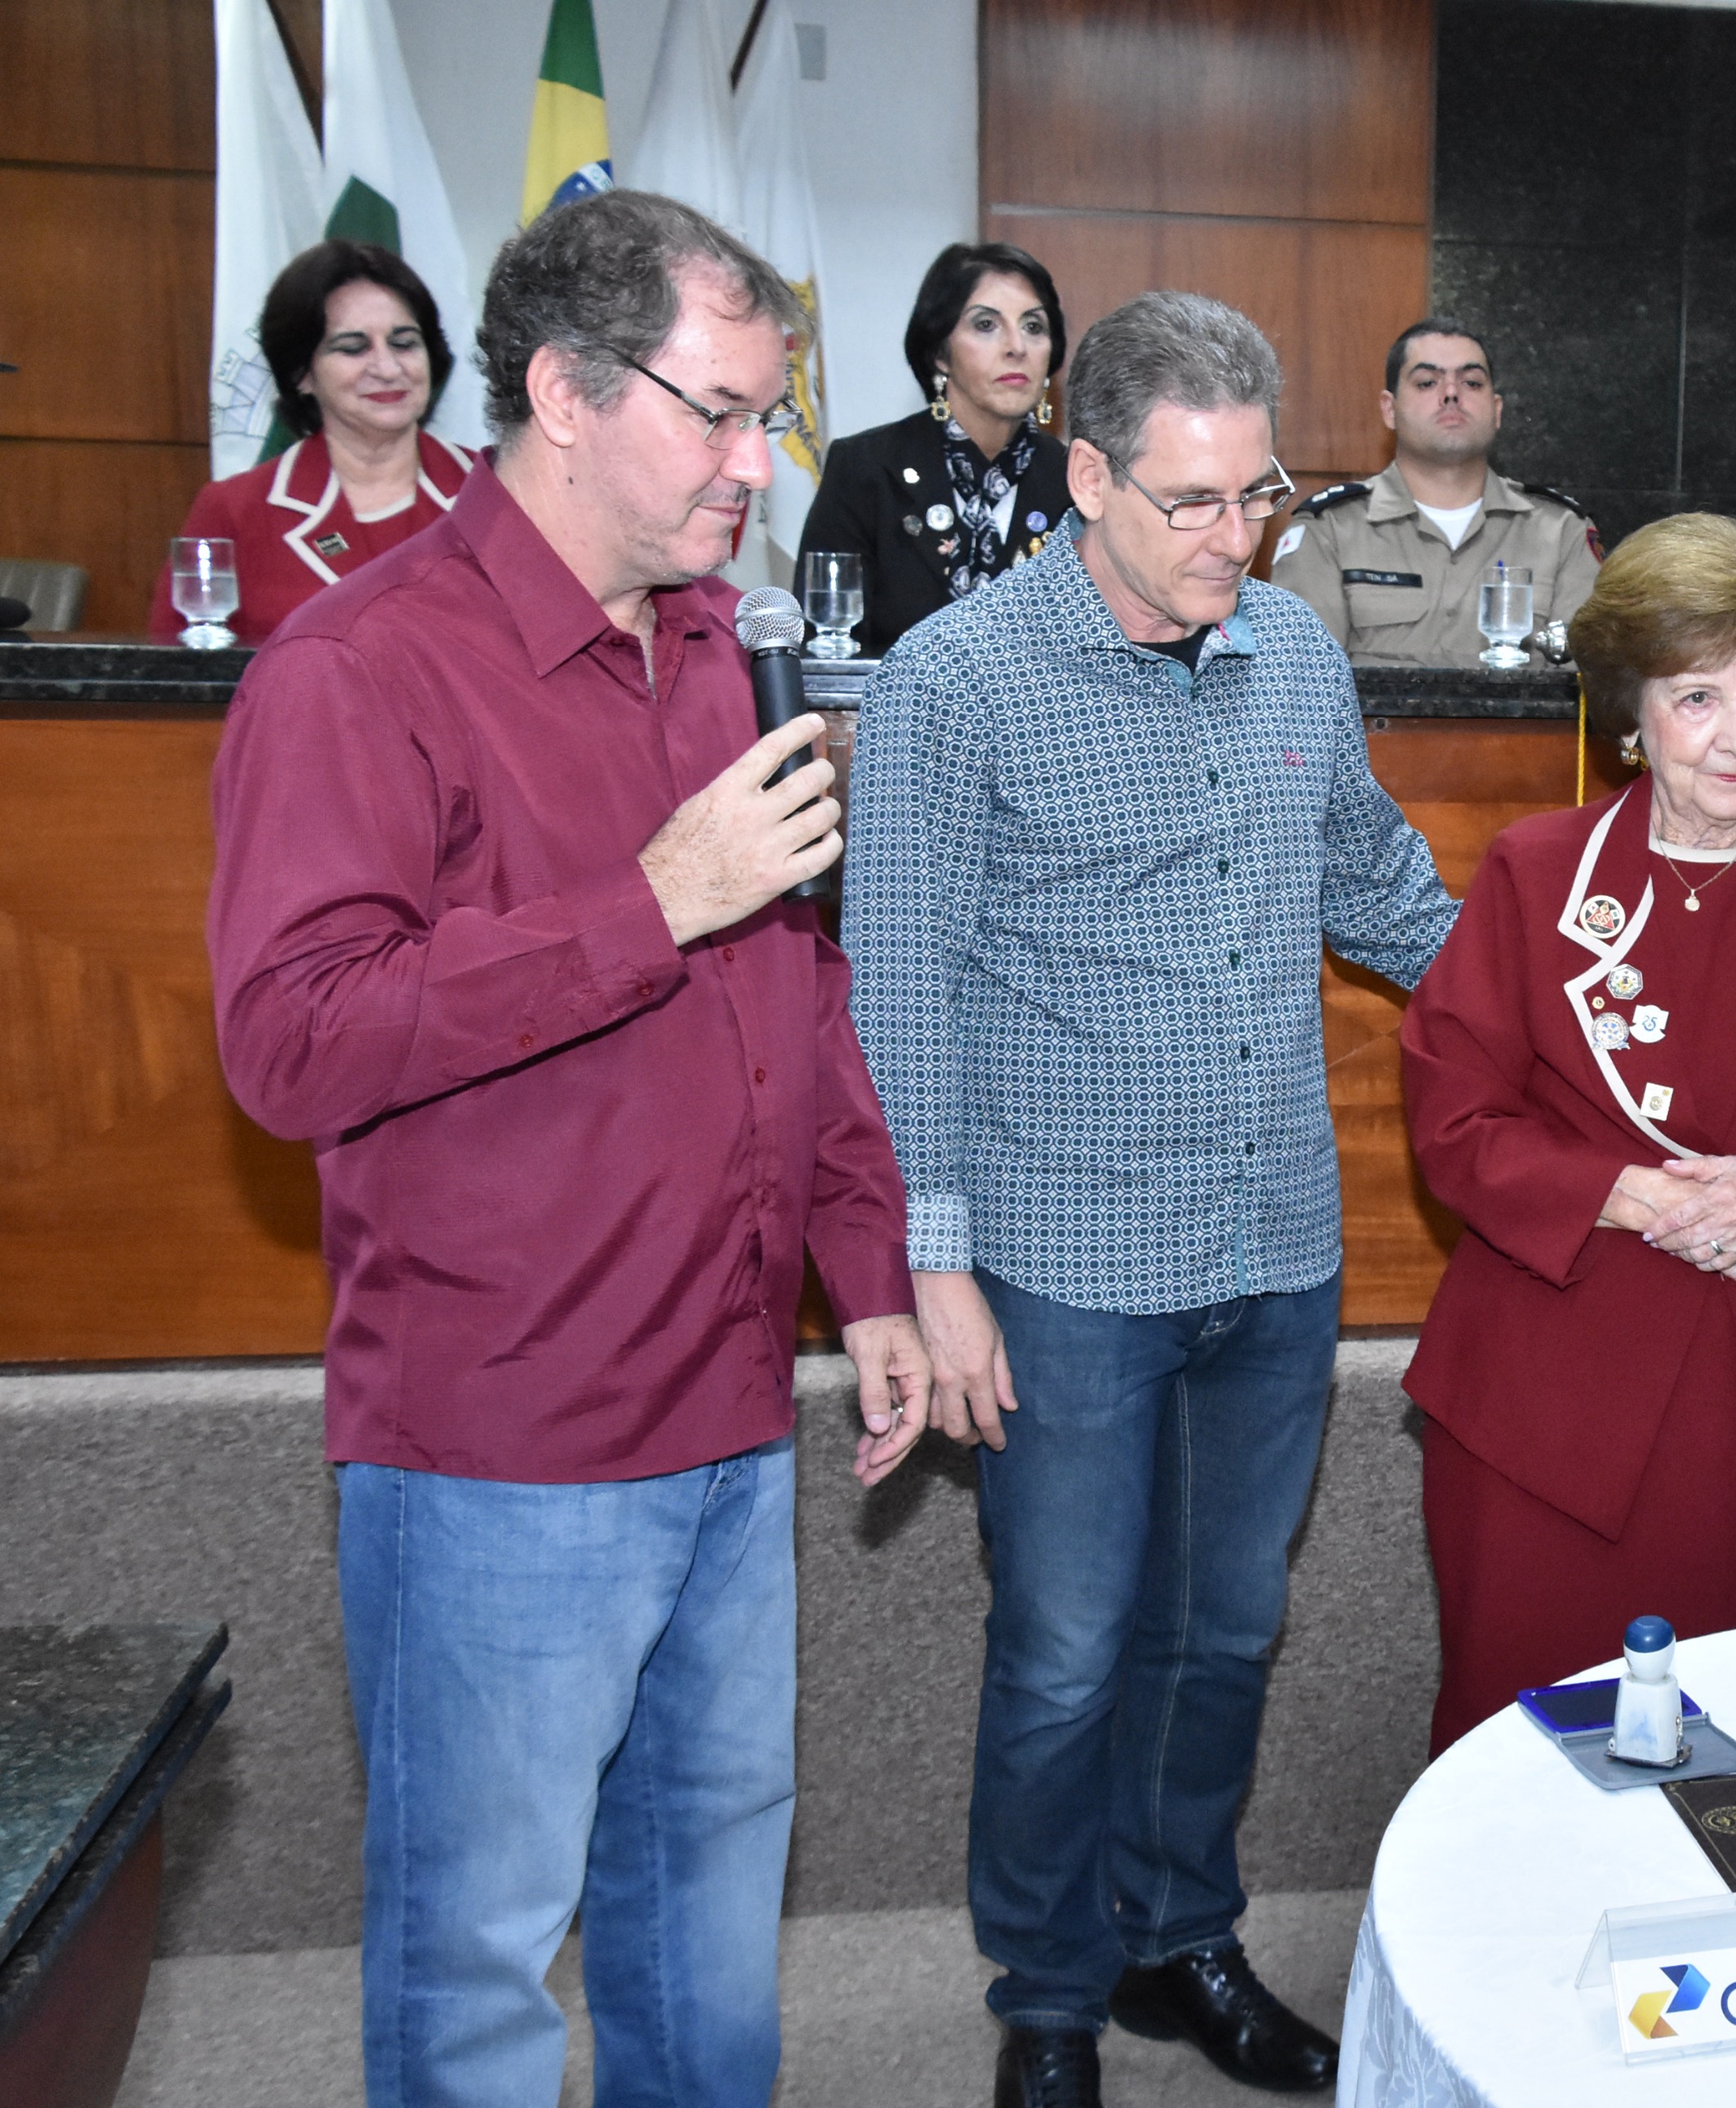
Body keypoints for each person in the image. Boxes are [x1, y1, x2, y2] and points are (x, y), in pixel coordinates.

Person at [204, 189, 931, 2106]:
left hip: (729, 1408)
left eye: (772, 417)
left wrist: (869, 1269)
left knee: (706, 1939)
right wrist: (649, 900)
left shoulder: (718, 652)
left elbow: (797, 987)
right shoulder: (358, 670)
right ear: (562, 392)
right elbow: (291, 1041)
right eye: (720, 413)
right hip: (505, 1441)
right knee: (480, 1969)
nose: (758, 467)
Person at [845, 291, 1458, 2108]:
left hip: (1272, 1241)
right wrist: (935, 1265)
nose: (1234, 536)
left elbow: (1380, 885)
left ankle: (1177, 1935)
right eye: (1192, 500)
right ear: (1088, 476)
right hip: (1063, 1261)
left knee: (1225, 1634)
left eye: (1257, 493)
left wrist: (1578, 996)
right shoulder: (954, 680)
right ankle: (1045, 1995)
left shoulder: (1295, 653)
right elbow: (899, 990)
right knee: (1060, 1654)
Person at [1398, 513, 1736, 1752]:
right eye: (1698, 697)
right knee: (1543, 1762)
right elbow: (1456, 1116)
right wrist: (1646, 1198)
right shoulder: (1534, 872)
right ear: (1631, 713)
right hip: (1555, 1413)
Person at [150, 240, 475, 641]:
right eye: (353, 348)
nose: (388, 368)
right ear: (302, 374)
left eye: (404, 343)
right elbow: (177, 668)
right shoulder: (235, 511)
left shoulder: (498, 490)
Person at [1267, 315, 1601, 663]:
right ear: (1390, 410)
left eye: (1472, 383)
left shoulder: (1562, 532)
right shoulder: (1329, 531)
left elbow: (1588, 681)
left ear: (1497, 411)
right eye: (1427, 383)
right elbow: (1302, 680)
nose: (1452, 393)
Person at [801, 241, 1070, 655]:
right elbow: (823, 651)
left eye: (1034, 327)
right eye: (986, 324)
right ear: (940, 353)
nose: (1017, 347)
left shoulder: (1079, 482)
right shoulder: (866, 469)